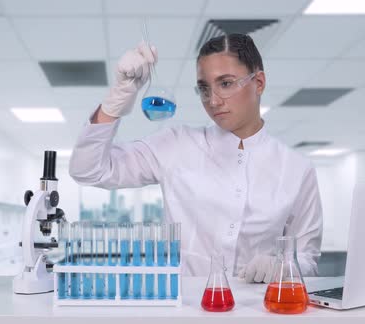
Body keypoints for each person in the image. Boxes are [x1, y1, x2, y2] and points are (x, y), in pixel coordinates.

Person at [69, 33, 323, 283]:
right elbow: (88, 170)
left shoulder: (297, 170)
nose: (213, 100)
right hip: (187, 310)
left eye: (225, 84)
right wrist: (117, 98)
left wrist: (284, 267)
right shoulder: (176, 145)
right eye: (204, 88)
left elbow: (308, 259)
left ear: (258, 82)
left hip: (259, 312)